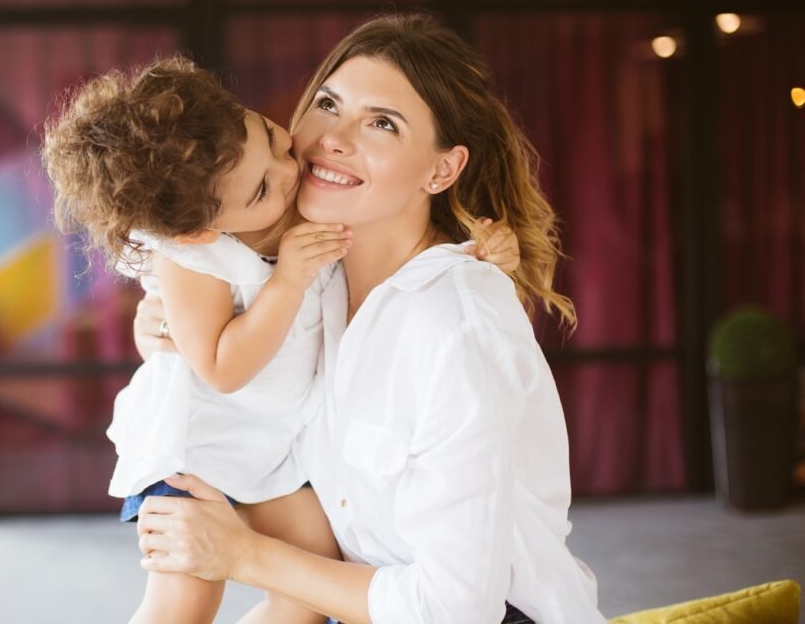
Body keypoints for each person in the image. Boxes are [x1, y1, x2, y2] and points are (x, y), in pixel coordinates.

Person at [132, 14, 606, 624]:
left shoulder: (453, 325)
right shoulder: (312, 277)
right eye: (329, 103)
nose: (334, 136)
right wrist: (168, 330)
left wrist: (244, 555)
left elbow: (456, 609)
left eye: (382, 122)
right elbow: (218, 331)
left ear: (441, 171)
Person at [42, 55, 520, 624]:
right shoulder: (194, 254)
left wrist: (487, 250)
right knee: (184, 601)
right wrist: (288, 281)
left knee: (311, 588)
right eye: (264, 187)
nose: (289, 170)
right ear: (200, 228)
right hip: (197, 447)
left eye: (271, 137)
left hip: (280, 449)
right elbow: (220, 367)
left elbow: (404, 249)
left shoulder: (299, 195)